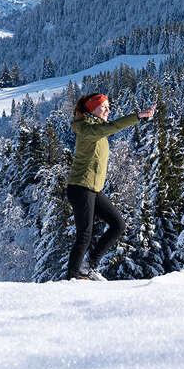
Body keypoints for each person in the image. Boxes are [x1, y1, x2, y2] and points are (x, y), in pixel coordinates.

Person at [66, 93, 156, 280]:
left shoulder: (96, 129)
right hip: (80, 187)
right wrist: (137, 116)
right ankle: (72, 278)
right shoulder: (87, 129)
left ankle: (89, 266)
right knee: (84, 235)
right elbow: (112, 127)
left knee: (118, 225)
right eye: (103, 107)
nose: (108, 109)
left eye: (108, 106)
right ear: (92, 110)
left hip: (93, 189)